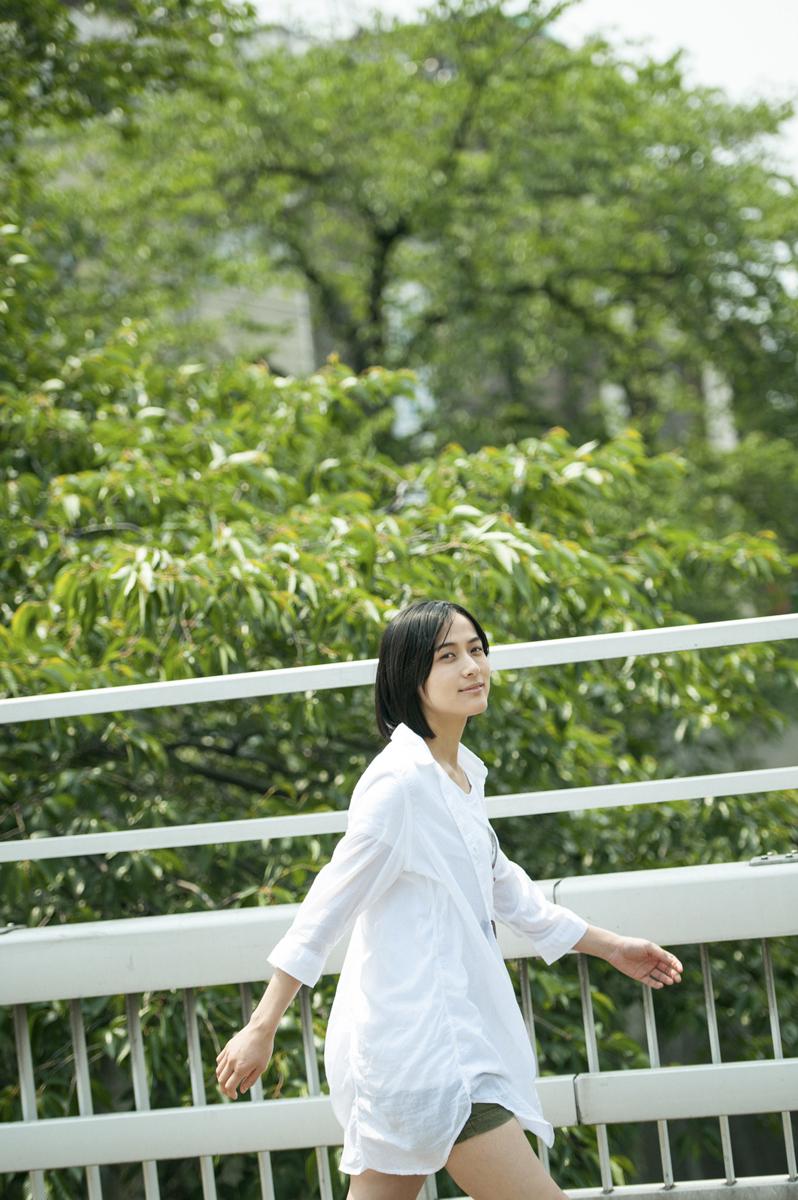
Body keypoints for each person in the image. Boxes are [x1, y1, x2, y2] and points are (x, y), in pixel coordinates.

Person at [215, 600, 683, 1200]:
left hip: (428, 1052)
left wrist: (612, 946)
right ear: (410, 677)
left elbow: (505, 888)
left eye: (477, 650)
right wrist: (261, 1028)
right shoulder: (399, 784)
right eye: (448, 656)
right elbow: (325, 908)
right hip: (431, 1054)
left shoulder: (457, 775)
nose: (472, 667)